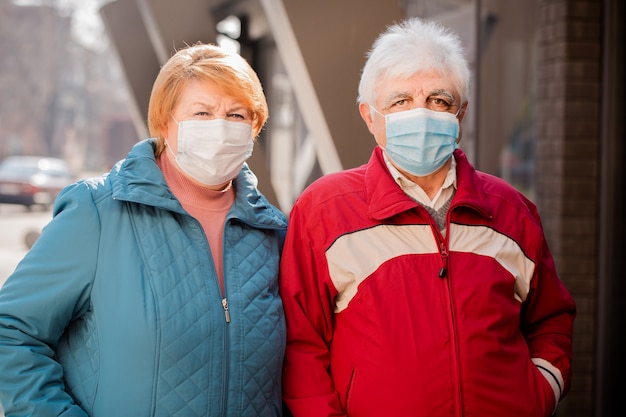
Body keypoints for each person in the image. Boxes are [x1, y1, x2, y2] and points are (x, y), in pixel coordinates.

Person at [279, 17, 576, 417]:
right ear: (370, 116)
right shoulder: (324, 209)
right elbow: (302, 345)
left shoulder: (511, 211)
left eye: (440, 100)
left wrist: (538, 393)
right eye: (400, 102)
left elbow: (550, 321)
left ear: (461, 113)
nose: (421, 114)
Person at [0, 43, 288, 416]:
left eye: (236, 114)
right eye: (202, 112)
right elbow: (12, 331)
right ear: (166, 122)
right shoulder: (98, 213)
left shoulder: (274, 232)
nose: (219, 127)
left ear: (254, 128)